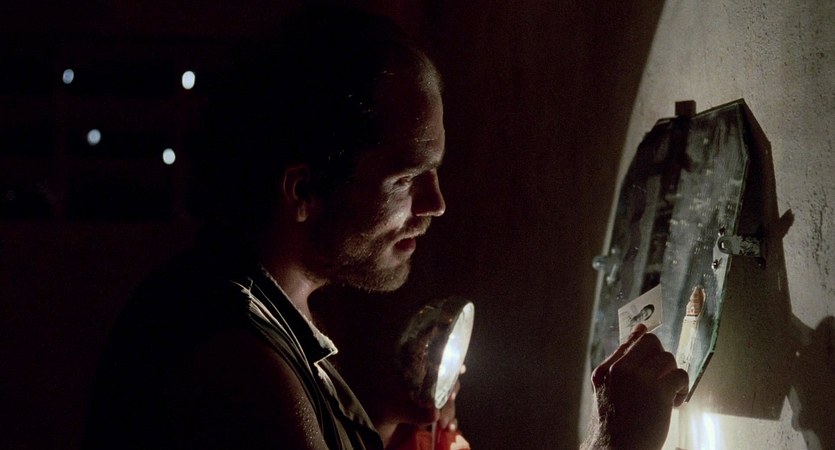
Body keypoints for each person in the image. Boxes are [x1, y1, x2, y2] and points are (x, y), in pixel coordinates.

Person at [84, 5, 688, 450]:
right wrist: (616, 444)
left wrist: (376, 425)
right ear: (304, 191)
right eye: (406, 178)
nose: (436, 204)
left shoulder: (255, 304)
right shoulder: (235, 364)